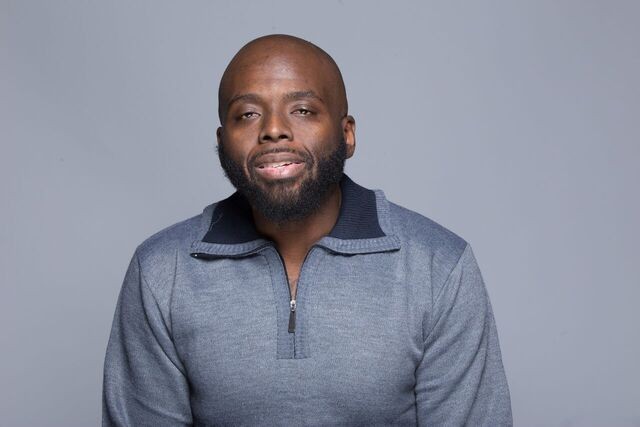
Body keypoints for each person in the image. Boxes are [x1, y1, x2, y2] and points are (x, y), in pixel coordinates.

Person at [102, 34, 512, 426]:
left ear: (347, 134)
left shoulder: (439, 267)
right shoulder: (162, 273)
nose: (273, 129)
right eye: (247, 114)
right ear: (223, 141)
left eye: (302, 110)